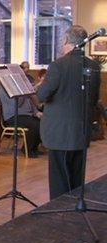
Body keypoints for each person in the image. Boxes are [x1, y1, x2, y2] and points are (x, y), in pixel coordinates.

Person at [37, 25, 101, 199]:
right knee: (76, 176)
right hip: (81, 131)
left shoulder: (58, 65)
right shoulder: (94, 66)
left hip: (60, 132)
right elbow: (93, 100)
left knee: (59, 178)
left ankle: (60, 211)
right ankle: (75, 208)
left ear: (66, 40)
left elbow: (42, 95)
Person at [0, 86, 42, 158]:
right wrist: (25, 91)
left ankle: (34, 148)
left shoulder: (19, 87)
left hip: (25, 115)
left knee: (42, 123)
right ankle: (27, 149)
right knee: (35, 124)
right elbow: (18, 103)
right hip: (12, 116)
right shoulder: (5, 88)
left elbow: (29, 101)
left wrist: (36, 112)